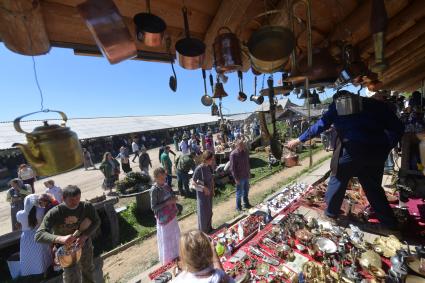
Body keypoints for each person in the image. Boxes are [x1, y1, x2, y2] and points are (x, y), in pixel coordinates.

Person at [287, 90, 404, 233]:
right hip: (377, 152)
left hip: (353, 149)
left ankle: (330, 215)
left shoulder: (339, 105)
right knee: (373, 187)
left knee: (337, 178)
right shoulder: (375, 104)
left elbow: (320, 125)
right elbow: (398, 127)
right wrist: (387, 145)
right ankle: (389, 225)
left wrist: (299, 140)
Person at [35, 185, 100, 283]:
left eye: (78, 198)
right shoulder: (55, 212)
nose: (75, 202)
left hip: (84, 244)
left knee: (87, 271)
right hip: (65, 250)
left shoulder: (86, 207)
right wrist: (60, 239)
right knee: (71, 277)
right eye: (71, 200)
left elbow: (96, 221)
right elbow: (39, 235)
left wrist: (84, 236)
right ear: (63, 198)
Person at [17, 194, 54, 278]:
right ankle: (45, 272)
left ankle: (31, 272)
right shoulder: (41, 211)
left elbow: (19, 223)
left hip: (26, 237)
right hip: (39, 234)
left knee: (29, 255)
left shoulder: (19, 214)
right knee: (42, 254)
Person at [150, 167, 180, 264]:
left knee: (175, 235)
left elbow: (170, 195)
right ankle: (169, 259)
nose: (164, 180)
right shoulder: (154, 190)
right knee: (167, 239)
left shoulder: (166, 186)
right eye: (162, 179)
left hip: (172, 215)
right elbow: (154, 207)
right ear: (156, 178)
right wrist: (167, 203)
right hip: (164, 219)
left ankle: (177, 254)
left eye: (164, 178)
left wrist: (174, 197)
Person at [192, 150, 215, 233]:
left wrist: (212, 189)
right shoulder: (199, 168)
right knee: (203, 213)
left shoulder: (209, 167)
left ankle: (209, 228)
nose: (212, 161)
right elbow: (193, 182)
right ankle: (203, 232)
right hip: (202, 195)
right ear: (206, 159)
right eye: (211, 159)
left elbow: (211, 178)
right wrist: (204, 188)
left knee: (209, 211)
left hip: (209, 193)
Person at [229, 139, 251, 212]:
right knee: (239, 193)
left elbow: (247, 164)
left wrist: (249, 173)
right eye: (241, 145)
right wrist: (235, 178)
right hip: (239, 177)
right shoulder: (233, 154)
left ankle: (246, 204)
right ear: (237, 145)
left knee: (246, 191)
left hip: (246, 175)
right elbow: (232, 168)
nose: (242, 146)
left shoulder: (245, 152)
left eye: (243, 144)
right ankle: (238, 207)